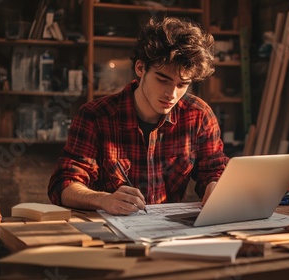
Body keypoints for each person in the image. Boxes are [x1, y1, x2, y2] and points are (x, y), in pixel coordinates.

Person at [48, 17, 229, 215]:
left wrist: (215, 185)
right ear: (140, 68)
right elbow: (62, 185)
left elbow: (214, 170)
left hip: (170, 233)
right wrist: (103, 200)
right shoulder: (95, 116)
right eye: (163, 80)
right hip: (111, 233)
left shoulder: (198, 115)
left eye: (182, 85)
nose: (172, 94)